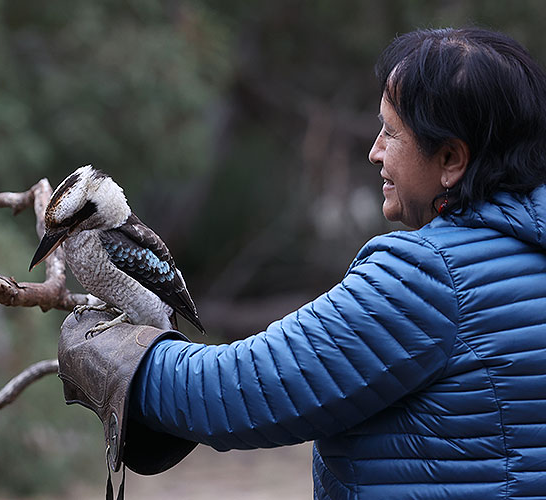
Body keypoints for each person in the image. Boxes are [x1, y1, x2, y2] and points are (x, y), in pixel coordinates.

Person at [57, 27, 546, 500]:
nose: (374, 152)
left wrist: (124, 359)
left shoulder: (427, 278)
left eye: (391, 133)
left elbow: (235, 392)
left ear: (451, 159)